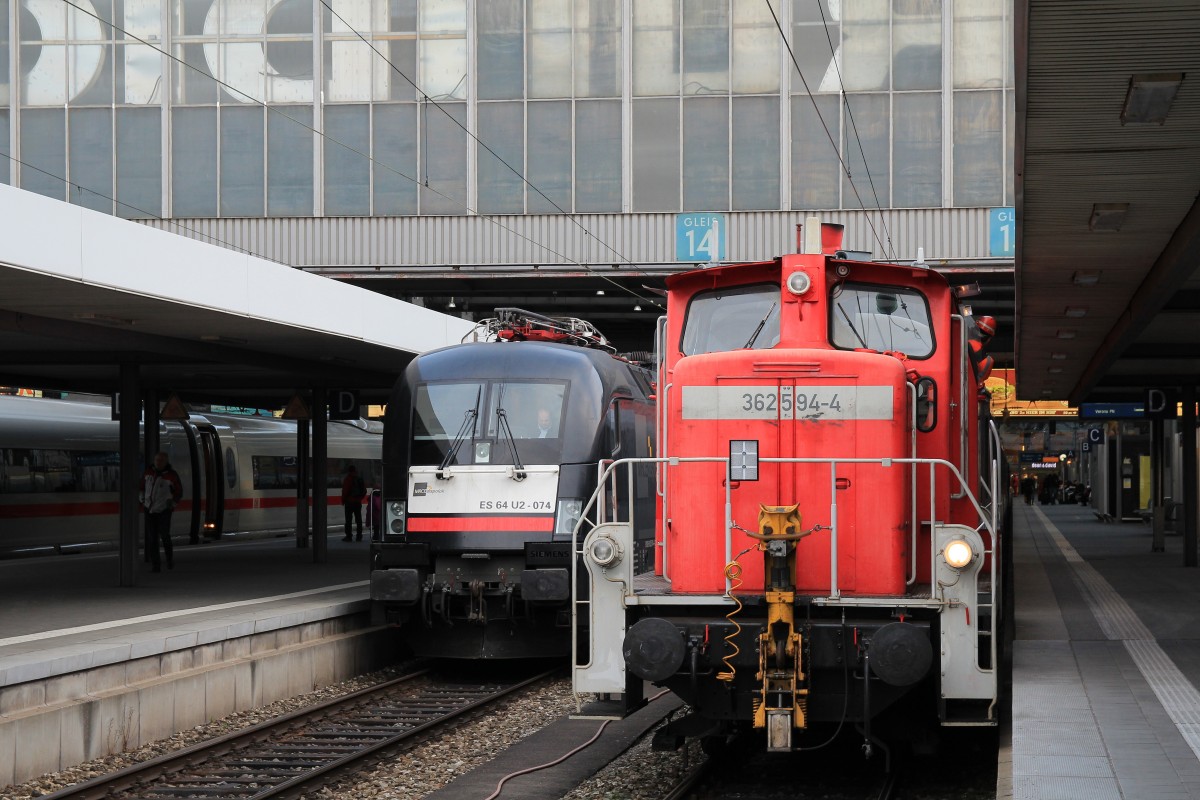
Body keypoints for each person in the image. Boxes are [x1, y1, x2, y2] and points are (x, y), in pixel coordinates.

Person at [140, 452, 182, 573]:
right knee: (152, 538)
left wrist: (172, 504)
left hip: (164, 510)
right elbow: (141, 487)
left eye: (161, 460)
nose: (158, 462)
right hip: (149, 509)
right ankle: (156, 565)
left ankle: (169, 559)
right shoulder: (148, 473)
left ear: (166, 462)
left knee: (164, 536)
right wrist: (142, 499)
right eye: (157, 460)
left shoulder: (171, 475)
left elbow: (179, 492)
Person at [342, 464, 366, 541]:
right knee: (358, 519)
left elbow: (345, 491)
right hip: (357, 502)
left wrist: (343, 500)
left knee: (348, 520)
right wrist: (360, 498)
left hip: (349, 502)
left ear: (349, 471)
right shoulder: (359, 478)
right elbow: (364, 491)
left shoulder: (348, 479)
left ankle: (349, 536)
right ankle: (359, 536)